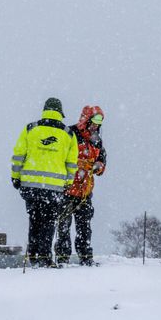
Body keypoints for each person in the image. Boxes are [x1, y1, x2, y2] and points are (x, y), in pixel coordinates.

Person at [11, 98, 78, 267]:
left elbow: (18, 155)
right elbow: (71, 163)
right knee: (48, 221)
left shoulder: (30, 129)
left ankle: (33, 255)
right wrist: (69, 182)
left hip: (30, 186)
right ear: (60, 112)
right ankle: (45, 257)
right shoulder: (68, 134)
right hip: (54, 188)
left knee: (34, 219)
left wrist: (15, 176)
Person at [55, 106, 107, 266]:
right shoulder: (69, 134)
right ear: (86, 120)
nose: (96, 126)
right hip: (66, 188)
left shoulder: (97, 140)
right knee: (63, 225)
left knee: (85, 227)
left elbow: (103, 158)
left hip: (85, 191)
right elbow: (60, 156)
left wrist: (99, 165)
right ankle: (62, 257)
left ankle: (85, 257)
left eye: (99, 123)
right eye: (94, 122)